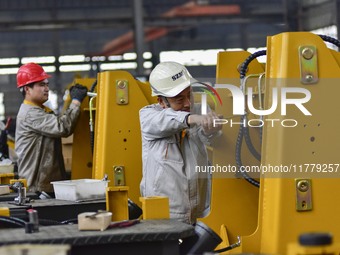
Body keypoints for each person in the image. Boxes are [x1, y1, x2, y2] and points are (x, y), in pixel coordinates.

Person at [139, 61, 222, 224]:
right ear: (162, 101)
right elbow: (167, 120)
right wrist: (193, 119)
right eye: (179, 99)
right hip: (164, 214)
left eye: (189, 94)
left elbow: (211, 139)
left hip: (199, 212)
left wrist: (211, 130)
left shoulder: (199, 111)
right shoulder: (148, 115)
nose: (188, 103)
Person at [15, 62, 88, 195]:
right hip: (36, 189)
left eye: (47, 84)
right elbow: (62, 127)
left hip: (44, 187)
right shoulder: (31, 113)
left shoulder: (41, 110)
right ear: (27, 89)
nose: (47, 88)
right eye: (41, 85)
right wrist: (76, 101)